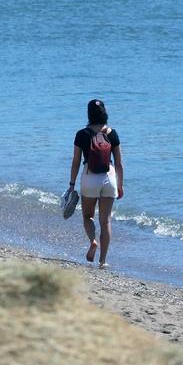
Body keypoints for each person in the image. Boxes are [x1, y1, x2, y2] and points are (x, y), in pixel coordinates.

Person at [68, 99, 124, 268]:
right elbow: (119, 163)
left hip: (90, 177)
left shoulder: (82, 134)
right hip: (109, 178)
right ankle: (103, 261)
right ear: (104, 112)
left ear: (89, 114)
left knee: (87, 216)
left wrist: (71, 184)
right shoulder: (112, 133)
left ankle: (93, 241)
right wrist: (120, 185)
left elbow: (76, 162)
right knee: (105, 221)